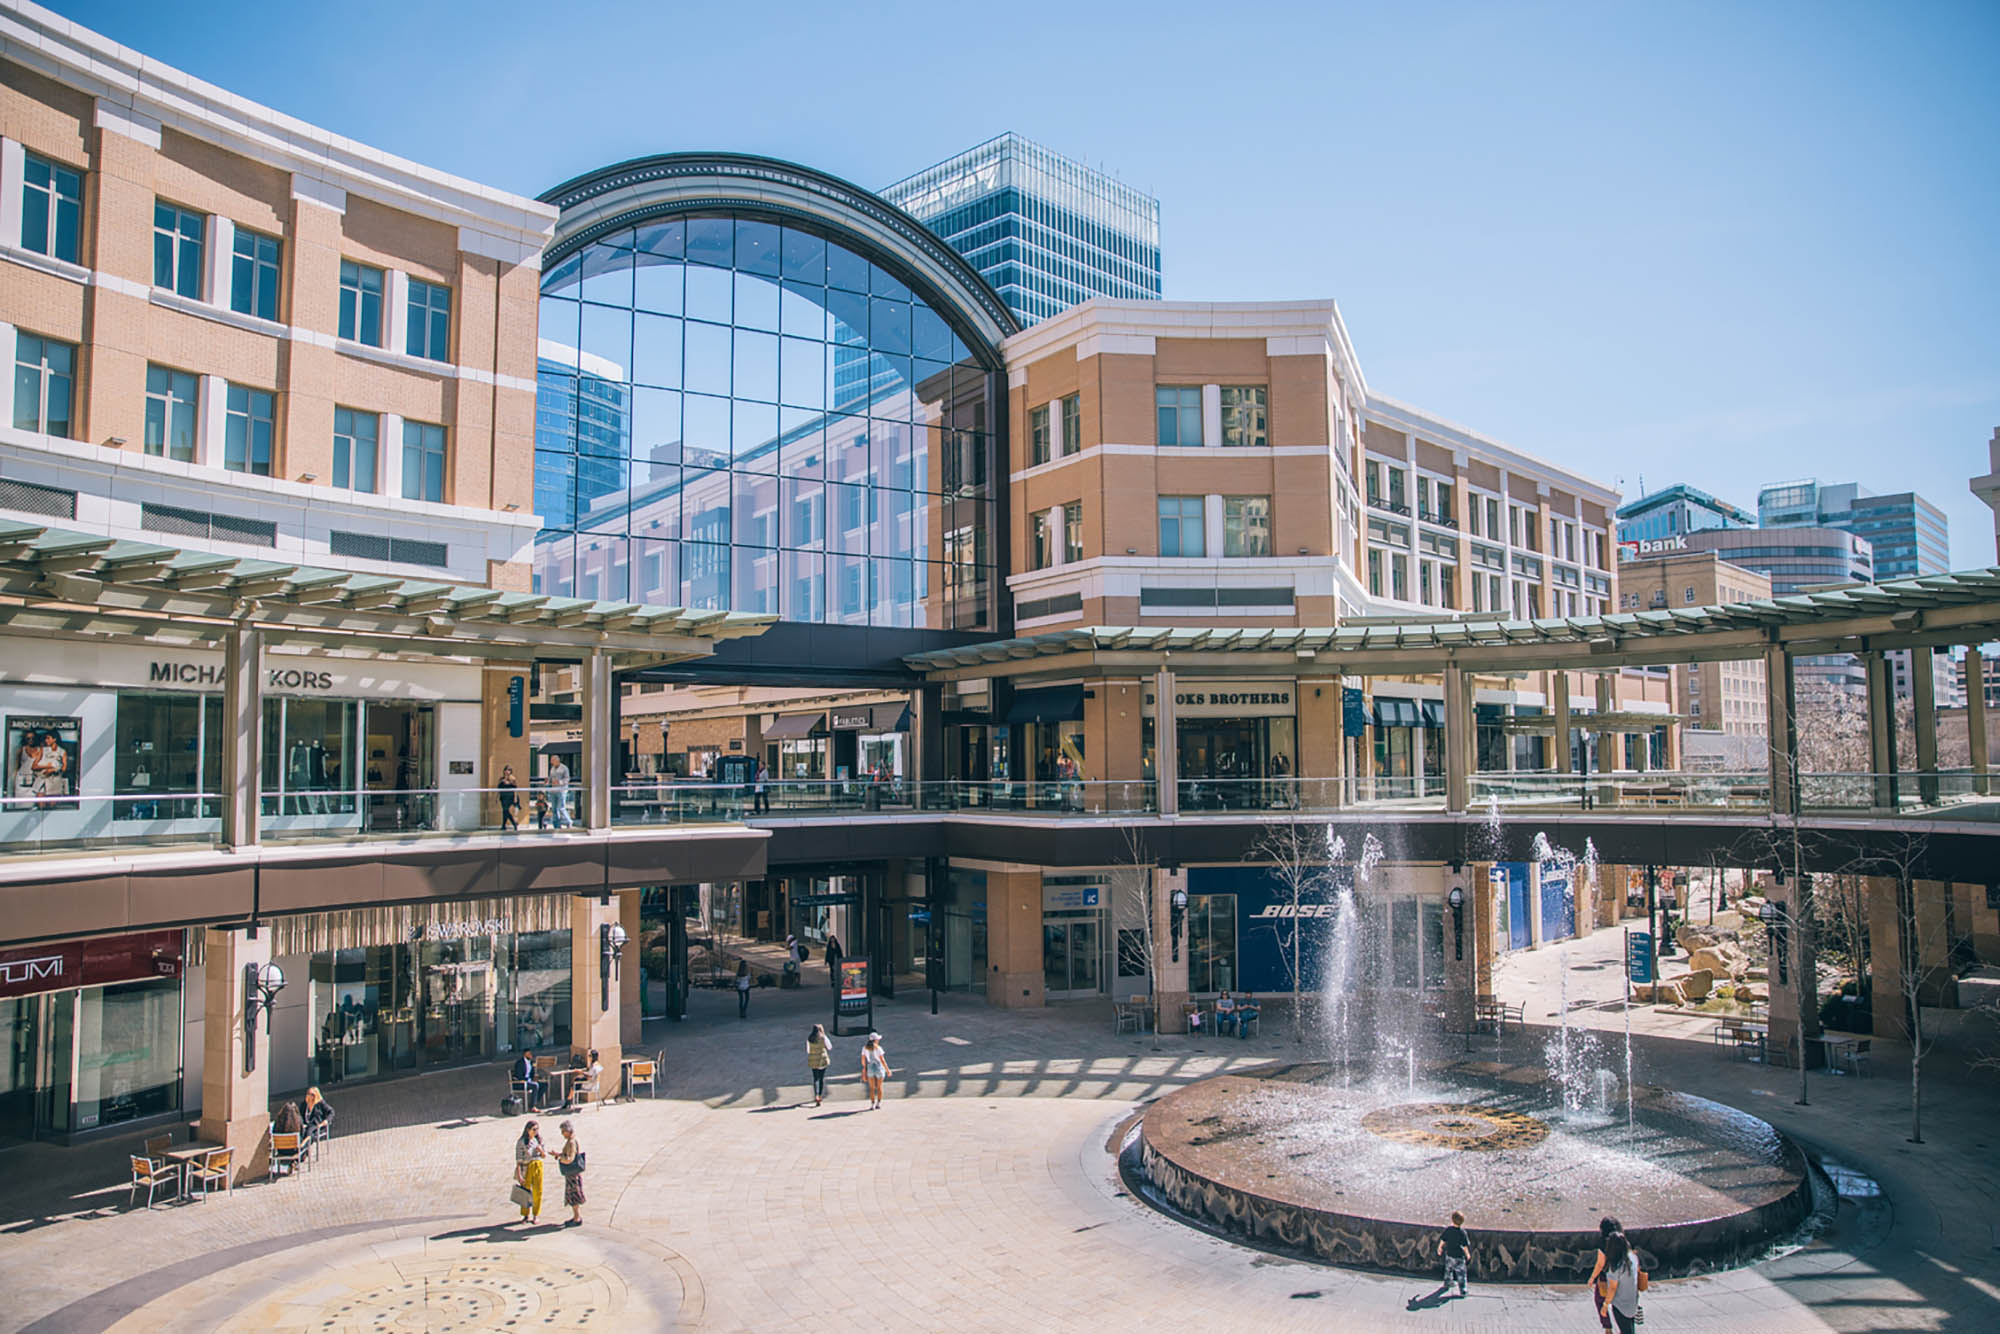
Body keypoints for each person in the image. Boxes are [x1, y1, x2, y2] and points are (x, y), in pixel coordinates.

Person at [1585, 1216, 1625, 1331]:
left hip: (1605, 1278)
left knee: (1600, 1301)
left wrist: (1592, 1278)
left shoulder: (1603, 1243)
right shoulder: (1623, 1240)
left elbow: (1600, 1264)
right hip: (1621, 1277)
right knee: (1619, 1303)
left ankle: (1608, 1328)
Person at [1601, 1229, 1643, 1333]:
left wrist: (1605, 1305)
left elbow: (1612, 1288)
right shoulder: (1633, 1258)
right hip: (1633, 1302)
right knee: (1630, 1329)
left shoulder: (1615, 1267)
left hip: (1620, 1306)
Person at [512, 1120, 546, 1223]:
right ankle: (525, 1215)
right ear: (528, 1130)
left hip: (537, 1166)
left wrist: (540, 1150)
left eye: (537, 1129)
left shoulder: (539, 1140)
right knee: (525, 1191)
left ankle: (536, 1214)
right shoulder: (521, 1142)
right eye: (533, 1129)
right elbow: (518, 1160)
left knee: (537, 1191)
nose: (536, 1131)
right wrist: (519, 1175)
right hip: (526, 1167)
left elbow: (544, 1156)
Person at [556, 1120, 586, 1226]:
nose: (562, 1134)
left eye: (563, 1131)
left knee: (574, 1196)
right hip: (573, 1174)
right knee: (573, 1195)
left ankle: (577, 1217)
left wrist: (560, 1158)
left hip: (572, 1174)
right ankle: (575, 1216)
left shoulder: (572, 1142)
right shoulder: (572, 1140)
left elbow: (569, 1159)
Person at [1438, 1209, 1471, 1297]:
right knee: (1461, 1274)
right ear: (1462, 1222)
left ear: (1452, 1219)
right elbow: (1464, 1246)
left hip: (1449, 1254)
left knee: (1448, 1270)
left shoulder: (1448, 1230)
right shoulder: (1462, 1233)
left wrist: (1439, 1247)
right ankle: (1463, 1290)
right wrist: (1467, 1254)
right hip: (1459, 1257)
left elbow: (1443, 1239)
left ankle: (1447, 1283)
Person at [860, 1033, 891, 1109]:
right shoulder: (878, 1048)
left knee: (871, 1087)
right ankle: (878, 1103)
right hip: (879, 1067)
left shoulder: (864, 1048)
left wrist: (864, 1069)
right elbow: (882, 1060)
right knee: (879, 1086)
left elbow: (863, 1060)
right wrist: (887, 1070)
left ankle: (872, 1104)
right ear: (875, 1040)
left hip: (870, 1067)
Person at [806, 1024, 834, 1106]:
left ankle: (816, 1094)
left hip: (813, 1060)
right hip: (822, 1059)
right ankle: (820, 1095)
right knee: (821, 1078)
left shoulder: (809, 1039)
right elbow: (830, 1047)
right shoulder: (823, 1038)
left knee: (815, 1078)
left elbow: (808, 1050)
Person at [498, 765, 521, 831]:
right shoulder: (501, 779)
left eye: (509, 770)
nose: (507, 772)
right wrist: (505, 779)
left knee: (505, 811)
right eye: (506, 770)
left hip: (511, 797)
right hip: (503, 797)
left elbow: (515, 788)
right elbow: (499, 787)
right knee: (505, 811)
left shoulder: (513, 779)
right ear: (504, 771)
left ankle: (512, 824)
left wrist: (515, 797)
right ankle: (504, 825)